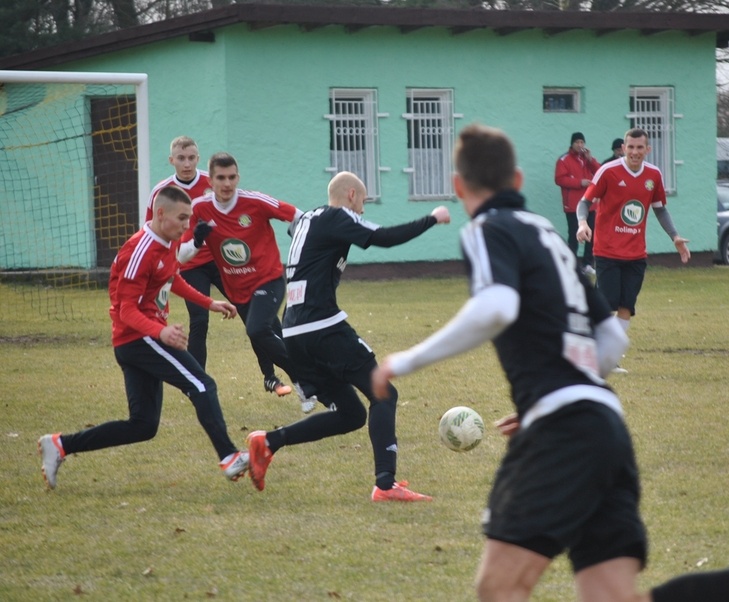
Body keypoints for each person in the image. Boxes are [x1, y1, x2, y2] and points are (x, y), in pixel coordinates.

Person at [370, 123, 729, 602]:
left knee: (498, 588)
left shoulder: (489, 229)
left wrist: (404, 360)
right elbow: (611, 337)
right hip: (604, 424)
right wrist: (556, 396)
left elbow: (498, 307)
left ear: (460, 186)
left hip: (563, 433)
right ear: (520, 181)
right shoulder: (547, 235)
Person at [245, 171, 451, 501]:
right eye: (364, 202)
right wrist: (432, 218)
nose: (363, 212)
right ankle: (385, 485)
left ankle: (267, 442)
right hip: (322, 326)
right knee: (384, 393)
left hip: (295, 331)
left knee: (351, 414)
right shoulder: (337, 215)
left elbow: (294, 230)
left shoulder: (308, 220)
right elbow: (383, 237)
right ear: (351, 194)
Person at [38, 186, 249, 490]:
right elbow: (126, 311)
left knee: (143, 425)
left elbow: (170, 276)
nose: (186, 226)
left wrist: (209, 302)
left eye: (189, 219)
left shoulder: (167, 241)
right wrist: (161, 331)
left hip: (138, 341)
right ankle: (229, 457)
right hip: (138, 339)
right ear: (160, 214)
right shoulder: (141, 249)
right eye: (182, 218)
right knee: (202, 384)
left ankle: (60, 445)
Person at [177, 152, 315, 412]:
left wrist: (298, 241)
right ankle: (304, 380)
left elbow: (301, 216)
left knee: (257, 330)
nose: (227, 184)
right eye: (221, 178)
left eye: (231, 177)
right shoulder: (199, 209)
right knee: (268, 333)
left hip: (269, 279)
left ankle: (304, 377)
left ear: (237, 177)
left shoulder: (255, 202)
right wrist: (196, 240)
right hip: (236, 287)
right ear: (211, 181)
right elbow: (182, 256)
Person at [576, 128, 691, 373]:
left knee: (627, 306)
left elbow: (660, 208)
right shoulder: (608, 171)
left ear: (647, 149)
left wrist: (675, 236)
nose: (635, 152)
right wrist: (583, 223)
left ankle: (610, 358)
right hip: (607, 251)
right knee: (606, 306)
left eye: (640, 148)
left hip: (636, 253)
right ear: (623, 148)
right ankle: (591, 353)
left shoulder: (654, 175)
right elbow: (584, 202)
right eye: (631, 147)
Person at [555, 131, 601, 275]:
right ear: (572, 144)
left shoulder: (587, 159)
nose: (580, 145)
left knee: (591, 235)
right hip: (572, 205)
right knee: (574, 236)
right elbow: (559, 179)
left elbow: (600, 172)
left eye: (582, 142)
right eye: (577, 142)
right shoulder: (564, 160)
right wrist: (579, 182)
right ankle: (572, 266)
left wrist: (590, 160)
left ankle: (588, 264)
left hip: (590, 203)